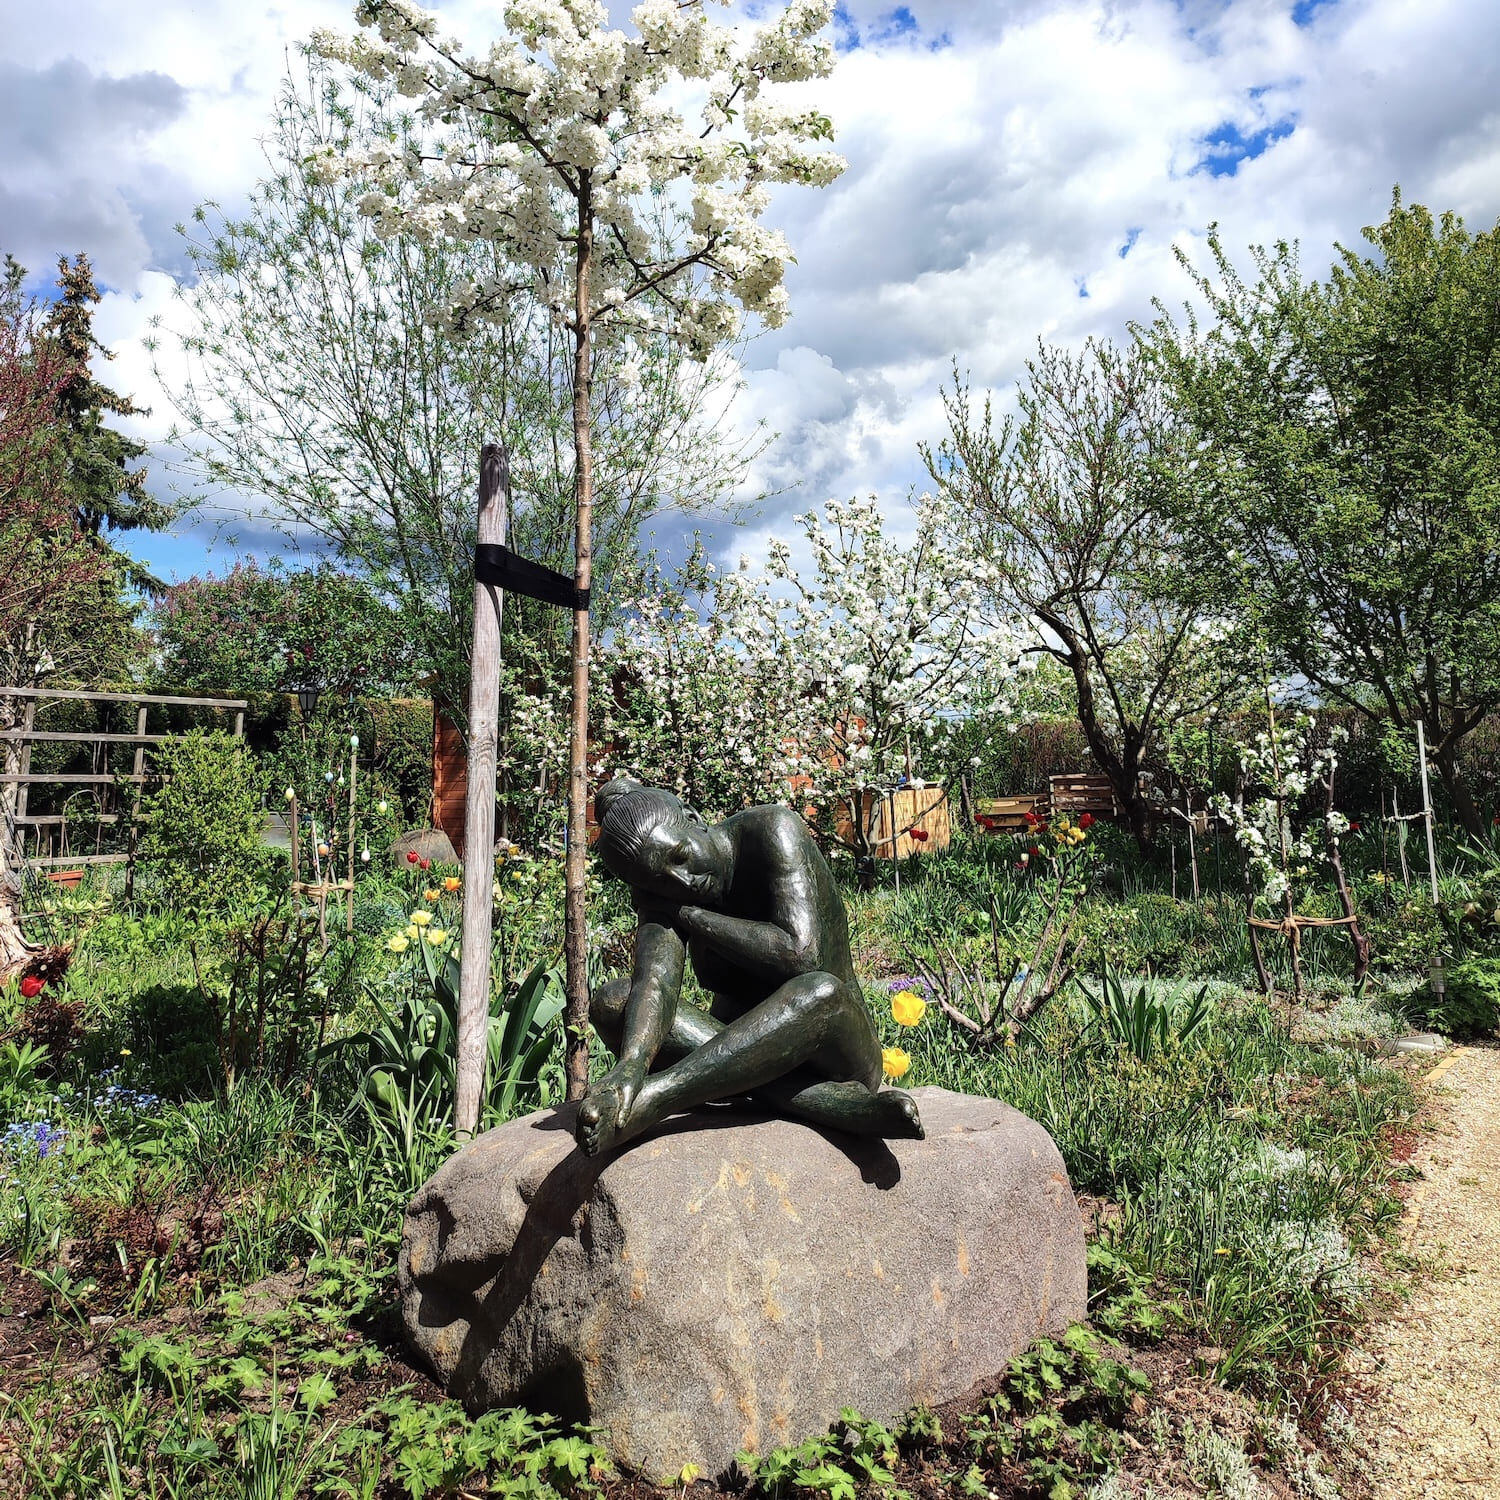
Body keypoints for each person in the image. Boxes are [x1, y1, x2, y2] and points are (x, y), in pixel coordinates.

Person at [577, 779, 925, 1156]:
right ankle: (835, 1106)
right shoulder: (662, 893)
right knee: (615, 1001)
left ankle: (660, 1097)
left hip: (833, 1049)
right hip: (727, 1053)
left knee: (819, 990)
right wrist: (632, 1064)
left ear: (693, 818)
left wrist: (690, 915)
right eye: (661, 880)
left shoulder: (771, 831)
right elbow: (655, 984)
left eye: (680, 856)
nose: (683, 880)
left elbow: (801, 955)